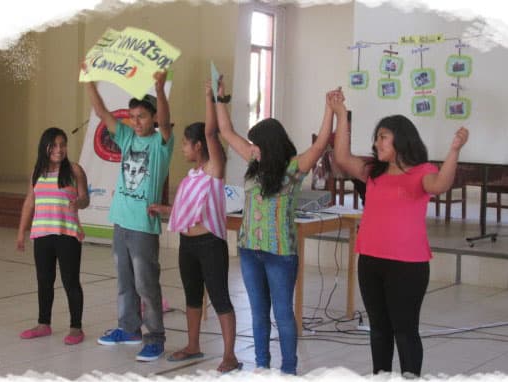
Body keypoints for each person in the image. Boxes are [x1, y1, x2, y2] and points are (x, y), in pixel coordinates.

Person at [330, 90, 469, 377]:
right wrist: (341, 114)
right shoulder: (373, 171)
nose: (376, 142)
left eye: (383, 136)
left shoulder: (422, 172)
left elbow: (441, 184)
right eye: (377, 137)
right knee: (379, 330)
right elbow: (342, 156)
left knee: (404, 331)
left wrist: (454, 151)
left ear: (400, 140)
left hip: (408, 266)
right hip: (370, 261)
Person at [213, 78, 336, 375]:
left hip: (280, 253)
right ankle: (262, 365)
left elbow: (320, 145)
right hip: (249, 250)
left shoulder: (293, 168)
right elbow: (227, 132)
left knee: (282, 313)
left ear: (269, 144)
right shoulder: (254, 160)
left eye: (256, 143)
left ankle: (289, 369)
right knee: (258, 313)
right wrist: (220, 100)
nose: (252, 147)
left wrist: (330, 110)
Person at [148, 81, 241, 373]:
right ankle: (193, 345)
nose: (184, 148)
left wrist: (210, 97)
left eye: (187, 143)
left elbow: (212, 132)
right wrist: (164, 210)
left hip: (210, 244)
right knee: (191, 295)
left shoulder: (215, 169)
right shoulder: (192, 176)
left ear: (198, 145)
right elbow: (189, 209)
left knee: (220, 297)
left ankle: (229, 355)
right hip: (188, 245)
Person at [86, 71, 173, 361]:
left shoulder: (160, 144)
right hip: (120, 221)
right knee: (124, 282)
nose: (136, 122)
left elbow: (164, 118)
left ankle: (155, 337)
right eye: (133, 116)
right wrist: (88, 80)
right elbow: (101, 111)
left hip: (143, 228)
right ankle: (129, 328)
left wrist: (160, 90)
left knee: (146, 284)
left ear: (154, 119)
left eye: (143, 117)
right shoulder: (125, 137)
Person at [16, 127, 89, 346]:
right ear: (45, 147)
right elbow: (30, 201)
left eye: (63, 144)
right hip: (42, 234)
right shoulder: (37, 172)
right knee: (44, 281)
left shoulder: (75, 170)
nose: (59, 149)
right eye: (54, 145)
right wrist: (21, 231)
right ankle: (43, 324)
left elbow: (86, 198)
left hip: (67, 234)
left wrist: (79, 202)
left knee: (70, 282)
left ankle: (76, 327)